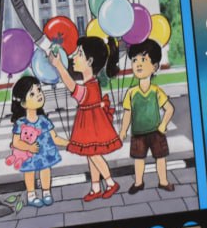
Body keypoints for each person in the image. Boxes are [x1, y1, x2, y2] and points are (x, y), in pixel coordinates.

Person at [49, 36, 121, 200]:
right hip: (90, 123)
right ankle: (95, 187)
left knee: (94, 155)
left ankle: (110, 183)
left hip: (92, 125)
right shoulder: (92, 83)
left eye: (79, 53)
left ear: (89, 61)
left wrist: (59, 66)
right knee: (90, 154)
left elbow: (72, 87)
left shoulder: (90, 87)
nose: (74, 57)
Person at [119, 39, 175, 193]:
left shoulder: (156, 91)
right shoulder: (131, 93)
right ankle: (138, 182)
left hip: (156, 132)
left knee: (160, 157)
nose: (138, 64)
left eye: (143, 60)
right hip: (138, 133)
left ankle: (163, 181)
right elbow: (127, 113)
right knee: (138, 159)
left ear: (154, 67)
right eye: (134, 60)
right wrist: (123, 130)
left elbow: (169, 109)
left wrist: (163, 125)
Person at [8, 76, 67, 208]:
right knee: (29, 172)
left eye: (39, 90)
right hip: (29, 155)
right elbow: (16, 142)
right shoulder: (21, 123)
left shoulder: (44, 120)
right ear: (23, 103)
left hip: (45, 154)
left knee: (45, 170)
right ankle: (31, 195)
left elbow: (55, 138)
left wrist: (69, 143)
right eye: (32, 94)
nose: (39, 94)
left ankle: (46, 192)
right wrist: (29, 147)